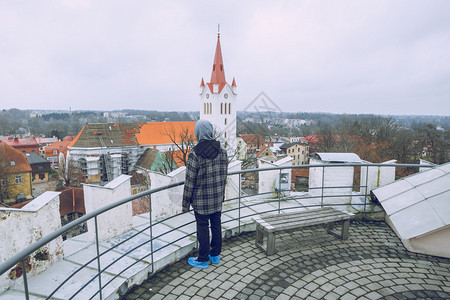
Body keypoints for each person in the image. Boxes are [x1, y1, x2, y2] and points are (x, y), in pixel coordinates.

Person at [182, 119, 228, 269]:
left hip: (201, 201)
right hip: (216, 199)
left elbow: (189, 182)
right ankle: (215, 255)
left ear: (198, 133)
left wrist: (185, 205)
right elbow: (224, 176)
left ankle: (202, 259)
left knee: (202, 227)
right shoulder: (222, 151)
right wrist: (221, 196)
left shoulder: (195, 154)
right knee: (216, 225)